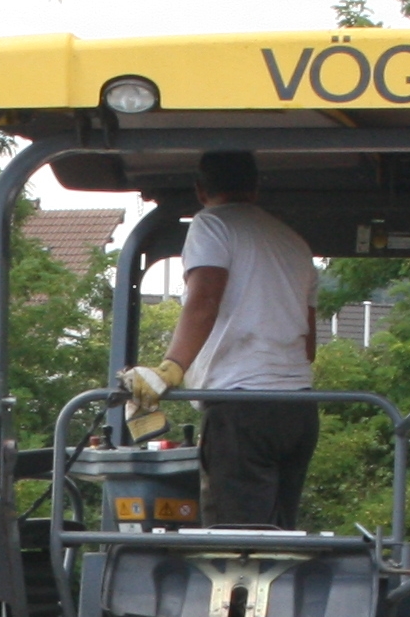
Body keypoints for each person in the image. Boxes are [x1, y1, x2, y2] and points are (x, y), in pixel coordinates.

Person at [122, 148, 321, 529]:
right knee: (282, 537)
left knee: (235, 541)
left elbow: (205, 300)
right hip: (299, 408)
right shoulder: (294, 243)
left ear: (200, 190)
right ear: (256, 188)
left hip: (241, 404)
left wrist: (171, 368)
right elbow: (307, 347)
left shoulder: (212, 224)